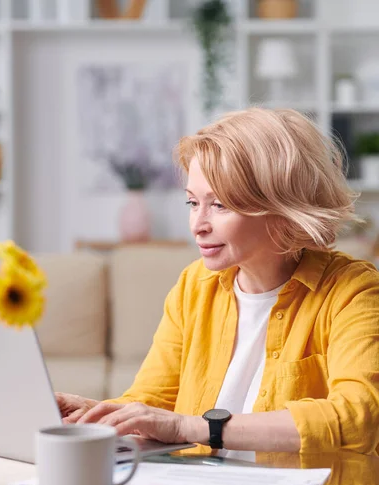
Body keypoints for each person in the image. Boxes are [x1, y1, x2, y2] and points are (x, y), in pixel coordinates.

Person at [57, 107, 379, 456]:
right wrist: (97, 416)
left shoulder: (353, 292)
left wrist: (189, 427)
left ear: (280, 206)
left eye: (220, 205)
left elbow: (356, 418)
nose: (198, 224)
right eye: (193, 202)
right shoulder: (194, 286)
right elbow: (151, 401)